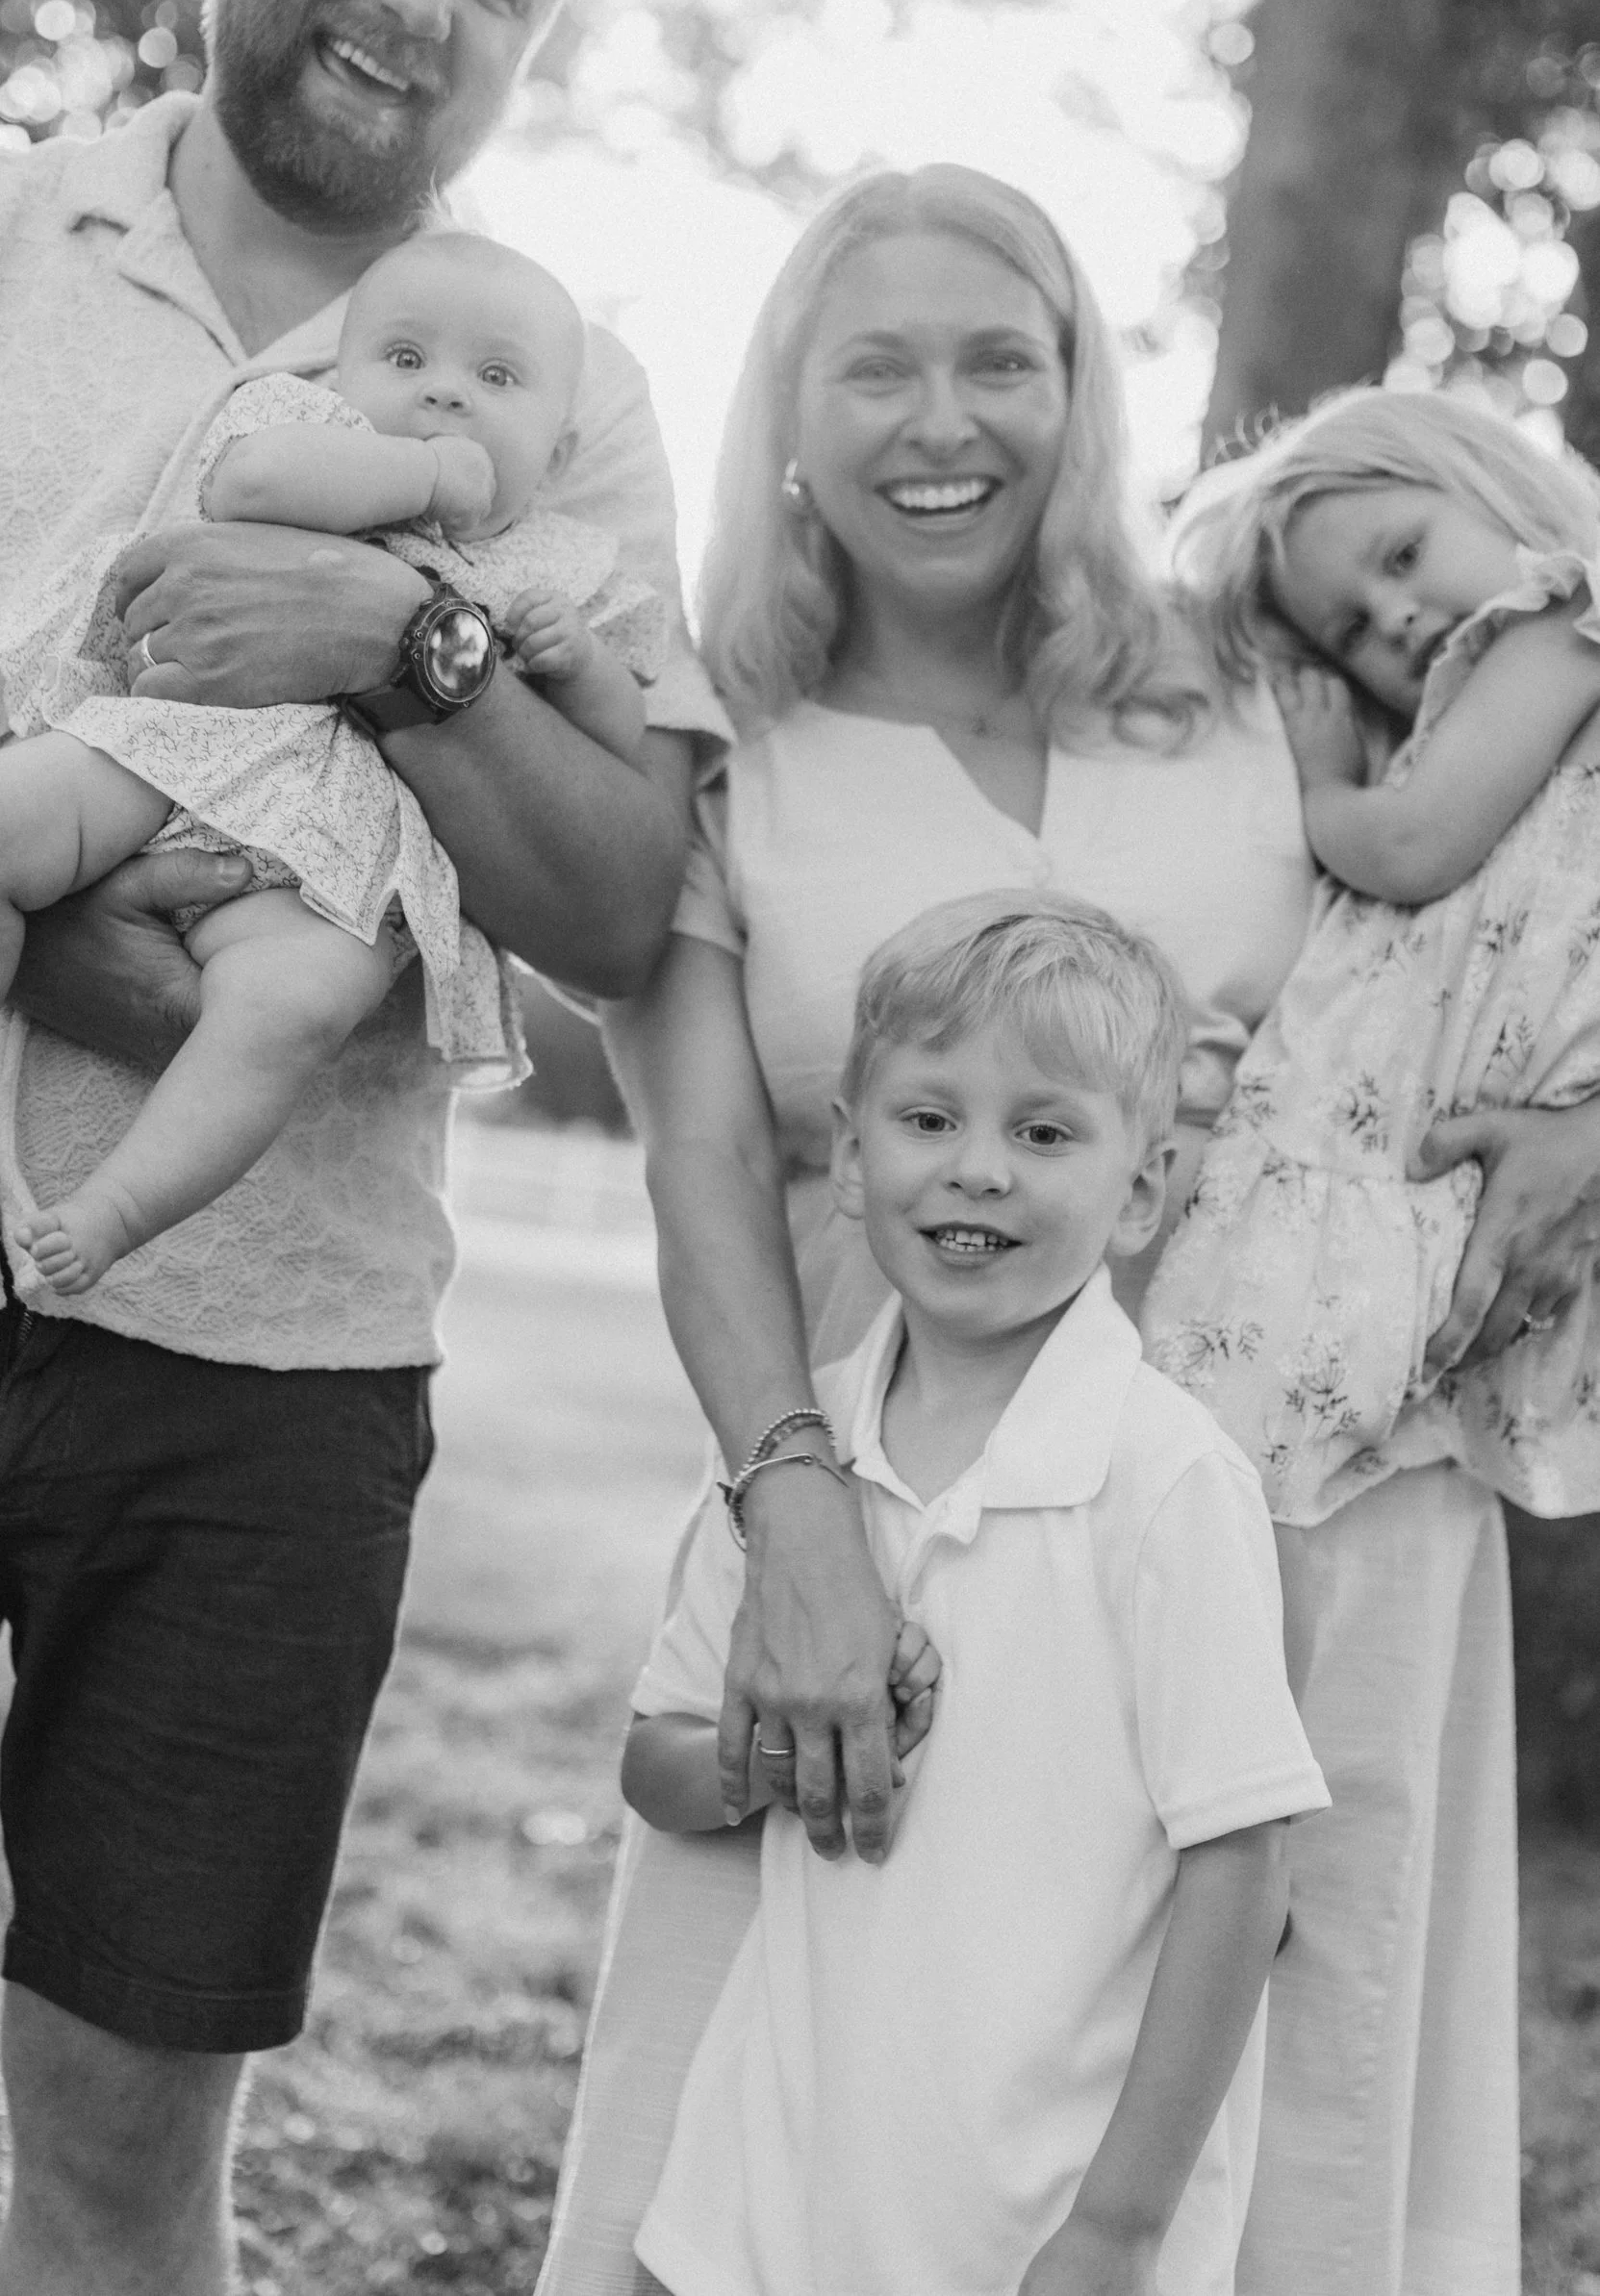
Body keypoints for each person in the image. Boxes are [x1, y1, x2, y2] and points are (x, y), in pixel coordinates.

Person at [546, 166, 1600, 2296]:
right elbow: (704, 1166)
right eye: (878, 364)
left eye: (1000, 358)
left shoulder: (1249, 669)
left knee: (1296, 2116)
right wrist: (798, 1512)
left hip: (1325, 1489)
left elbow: (1539, 870)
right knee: (842, 2103)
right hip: (905, 1507)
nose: (947, 419)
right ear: (786, 413)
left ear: (1080, 388)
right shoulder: (716, 739)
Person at [0, 0, 732, 2286]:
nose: (427, 2)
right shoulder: (19, 240)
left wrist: (391, 638)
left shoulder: (557, 387)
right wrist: (135, 967)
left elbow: (619, 906)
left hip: (270, 1385)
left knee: (122, 2158)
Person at [622, 891, 1330, 2296]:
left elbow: (1241, 1872)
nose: (977, 1171)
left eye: (1044, 1132)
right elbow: (654, 1766)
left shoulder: (1162, 1479)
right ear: (846, 1152)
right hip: (761, 2206)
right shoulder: (794, 1461)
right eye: (928, 1119)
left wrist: (1118, 2229)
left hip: (1032, 2226)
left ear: (1139, 1190)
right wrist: (796, 1737)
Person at [0, 228, 660, 1296]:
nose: (444, 395)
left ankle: (115, 1209)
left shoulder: (561, 564)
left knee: (289, 1009)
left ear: (562, 450)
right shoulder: (305, 437)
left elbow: (619, 744)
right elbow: (252, 485)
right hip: (176, 748)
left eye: (494, 379)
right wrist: (424, 473)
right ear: (337, 381)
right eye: (405, 362)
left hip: (341, 855)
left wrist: (577, 665)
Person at [1146, 389, 1600, 1525]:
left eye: (1403, 553)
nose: (1393, 615)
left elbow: (1408, 847)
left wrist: (1324, 784)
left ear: (1490, 479)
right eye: (1349, 627)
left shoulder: (1556, 623)